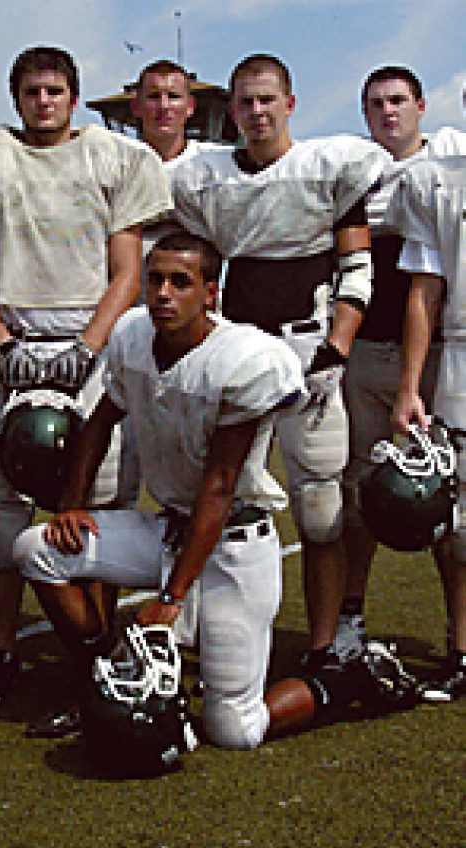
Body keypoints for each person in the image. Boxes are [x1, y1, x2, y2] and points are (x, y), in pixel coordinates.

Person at [14, 232, 364, 748]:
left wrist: (171, 599)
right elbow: (100, 418)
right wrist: (70, 504)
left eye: (181, 282)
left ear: (211, 293)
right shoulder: (133, 335)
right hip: (171, 529)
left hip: (232, 545)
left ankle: (354, 680)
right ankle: (100, 671)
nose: (163, 293)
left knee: (234, 728)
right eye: (155, 280)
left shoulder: (244, 358)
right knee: (37, 549)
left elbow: (220, 487)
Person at [0, 46, 170, 710]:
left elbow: (128, 269)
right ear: (16, 98)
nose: (45, 102)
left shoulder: (113, 158)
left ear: (74, 96)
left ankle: (90, 650)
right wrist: (1, 342)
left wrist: (90, 345)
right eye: (33, 91)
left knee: (96, 504)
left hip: (90, 340)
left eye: (56, 91)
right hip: (7, 337)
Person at [170, 54, 386, 680]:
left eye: (267, 100)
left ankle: (325, 644)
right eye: (245, 102)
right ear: (231, 110)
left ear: (290, 104)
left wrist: (337, 349)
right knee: (218, 494)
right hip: (237, 351)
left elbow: (357, 270)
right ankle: (213, 631)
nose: (257, 113)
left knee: (319, 506)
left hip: (306, 350)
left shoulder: (327, 168)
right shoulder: (205, 179)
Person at [338, 66, 466, 663]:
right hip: (367, 356)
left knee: (444, 502)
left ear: (421, 105)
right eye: (374, 104)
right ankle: (349, 618)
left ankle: (457, 637)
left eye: (397, 101)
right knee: (360, 493)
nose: (387, 113)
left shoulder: (448, 166)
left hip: (435, 358)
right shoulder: (353, 175)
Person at [389, 117, 466, 701]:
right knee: (457, 528)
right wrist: (409, 385)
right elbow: (425, 290)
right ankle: (461, 648)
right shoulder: (436, 177)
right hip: (461, 357)